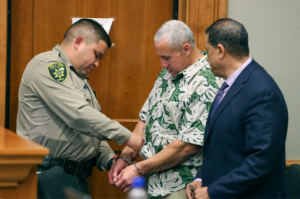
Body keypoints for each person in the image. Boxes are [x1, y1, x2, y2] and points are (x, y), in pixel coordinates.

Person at [16, 18, 143, 199]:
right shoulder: (49, 67)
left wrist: (110, 160)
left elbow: (89, 130)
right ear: (78, 42)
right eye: (97, 55)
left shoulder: (78, 80)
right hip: (47, 175)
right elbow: (79, 116)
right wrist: (129, 137)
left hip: (74, 177)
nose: (97, 63)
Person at [108, 20, 223, 198]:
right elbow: (145, 119)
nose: (162, 64)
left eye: (167, 58)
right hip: (150, 181)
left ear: (186, 49)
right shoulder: (168, 73)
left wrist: (138, 168)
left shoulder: (207, 80)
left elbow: (187, 146)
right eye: (160, 57)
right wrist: (126, 157)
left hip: (180, 184)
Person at [185, 18, 290, 199]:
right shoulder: (231, 85)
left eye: (208, 50)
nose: (206, 57)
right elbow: (223, 147)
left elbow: (262, 161)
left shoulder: (263, 92)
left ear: (220, 51)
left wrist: (213, 191)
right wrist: (202, 178)